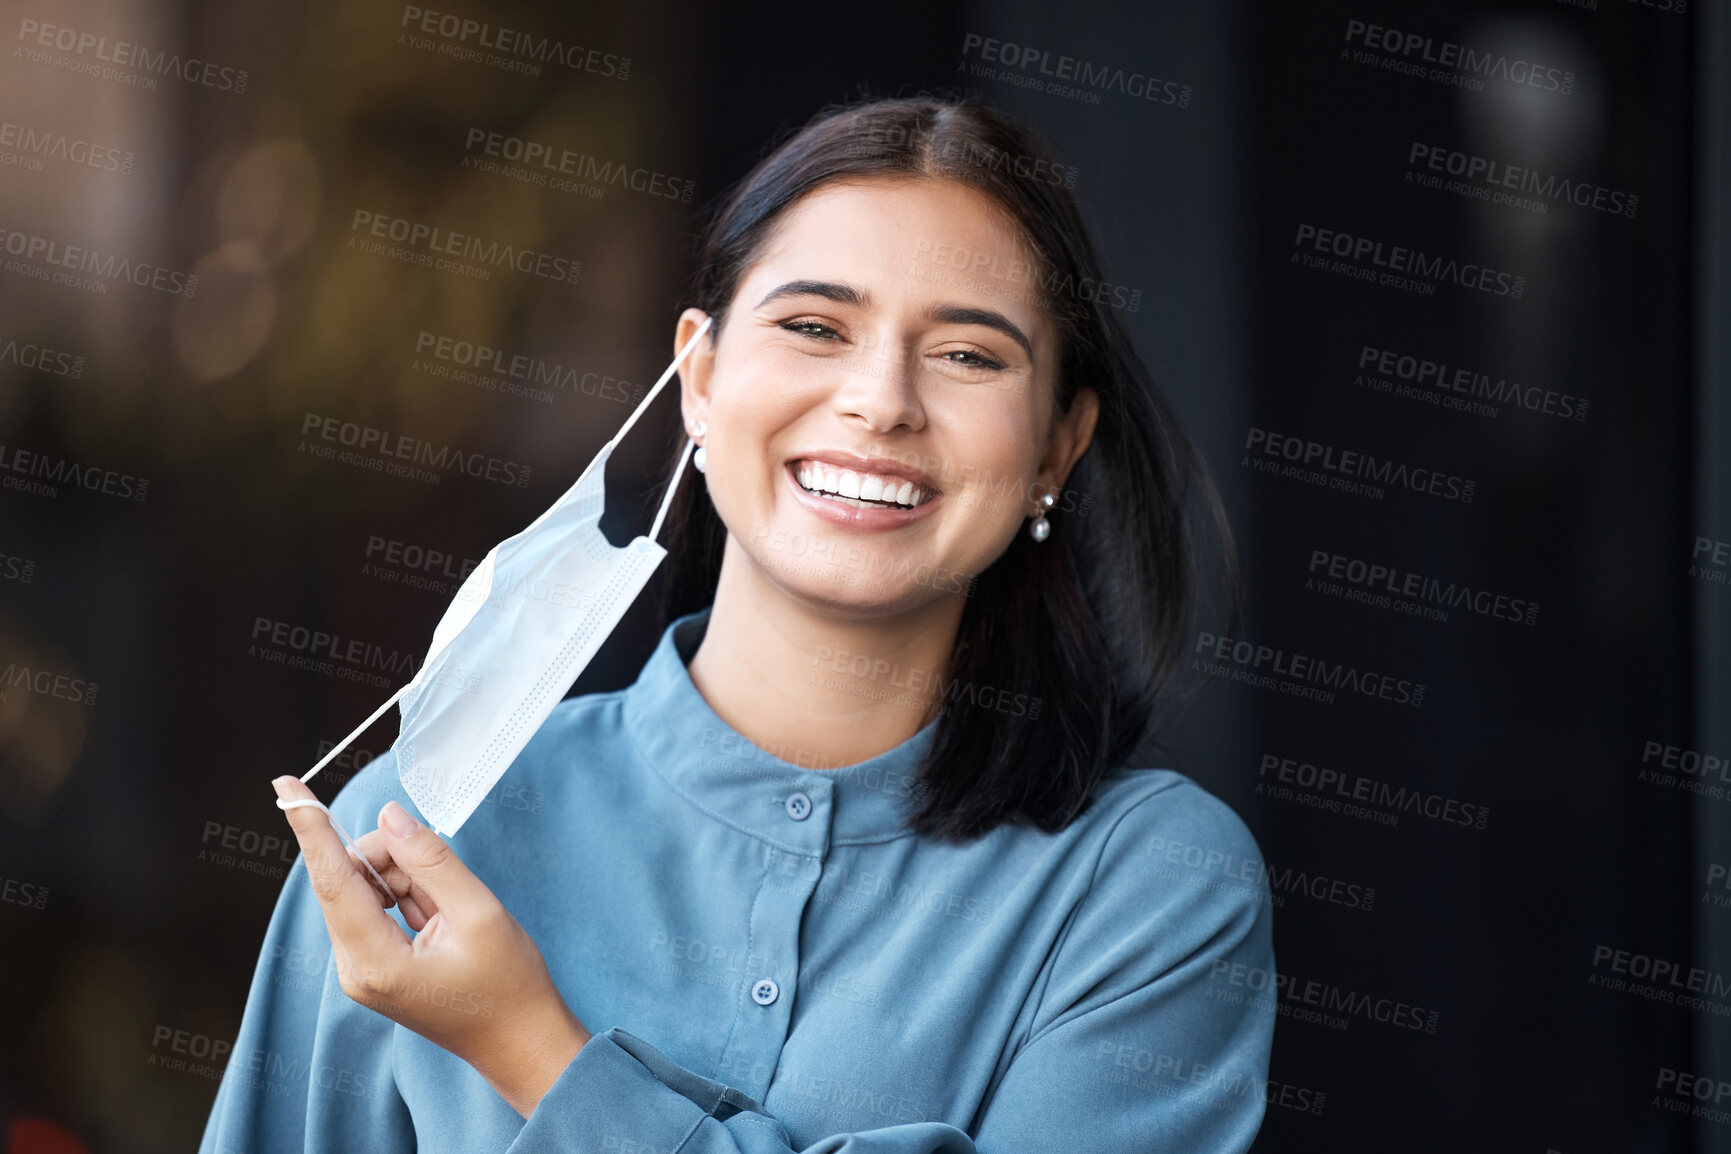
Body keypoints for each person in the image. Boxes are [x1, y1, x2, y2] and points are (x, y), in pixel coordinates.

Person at [200, 94, 1276, 1153]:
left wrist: (530, 1049)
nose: (880, 399)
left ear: (1057, 445)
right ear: (702, 377)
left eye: (967, 354)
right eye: (815, 326)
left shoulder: (1152, 887)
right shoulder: (420, 826)